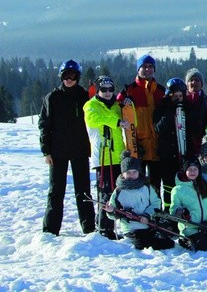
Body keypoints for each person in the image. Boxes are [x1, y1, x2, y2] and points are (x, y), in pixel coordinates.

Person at [39, 60, 96, 236]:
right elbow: (44, 125)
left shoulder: (84, 96)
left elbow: (98, 110)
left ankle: (89, 227)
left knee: (83, 190)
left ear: (77, 77)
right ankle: (50, 229)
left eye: (73, 76)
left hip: (79, 149)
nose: (69, 79)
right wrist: (46, 150)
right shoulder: (53, 97)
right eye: (66, 76)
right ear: (61, 77)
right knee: (56, 190)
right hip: (58, 151)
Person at [84, 75, 127, 239]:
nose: (108, 93)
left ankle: (115, 224)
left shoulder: (116, 105)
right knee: (105, 193)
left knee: (117, 193)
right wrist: (115, 121)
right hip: (103, 156)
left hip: (118, 155)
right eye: (104, 89)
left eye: (110, 89)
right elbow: (94, 120)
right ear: (97, 90)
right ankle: (104, 228)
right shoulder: (91, 105)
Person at [105, 151, 174, 250]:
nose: (131, 175)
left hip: (148, 224)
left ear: (139, 172)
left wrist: (147, 215)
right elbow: (114, 212)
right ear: (123, 174)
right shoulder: (119, 191)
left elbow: (156, 203)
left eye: (134, 172)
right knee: (142, 243)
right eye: (128, 172)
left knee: (167, 242)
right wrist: (111, 211)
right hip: (131, 228)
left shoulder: (146, 187)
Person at [118, 54, 165, 192]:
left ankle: (156, 210)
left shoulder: (161, 91)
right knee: (138, 183)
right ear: (138, 69)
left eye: (151, 67)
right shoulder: (129, 90)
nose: (148, 69)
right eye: (144, 66)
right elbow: (116, 107)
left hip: (157, 145)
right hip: (137, 147)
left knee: (156, 183)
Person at [154, 77, 198, 209]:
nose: (178, 99)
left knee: (185, 183)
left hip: (185, 152)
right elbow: (158, 128)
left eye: (180, 96)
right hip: (168, 154)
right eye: (174, 96)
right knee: (169, 185)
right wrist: (170, 111)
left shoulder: (188, 107)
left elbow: (195, 129)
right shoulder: (161, 108)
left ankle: (187, 209)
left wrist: (187, 112)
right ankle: (169, 211)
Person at [184, 68, 207, 154]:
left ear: (201, 84)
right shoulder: (181, 102)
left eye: (197, 80)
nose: (194, 83)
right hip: (185, 143)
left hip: (203, 143)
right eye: (191, 80)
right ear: (187, 84)